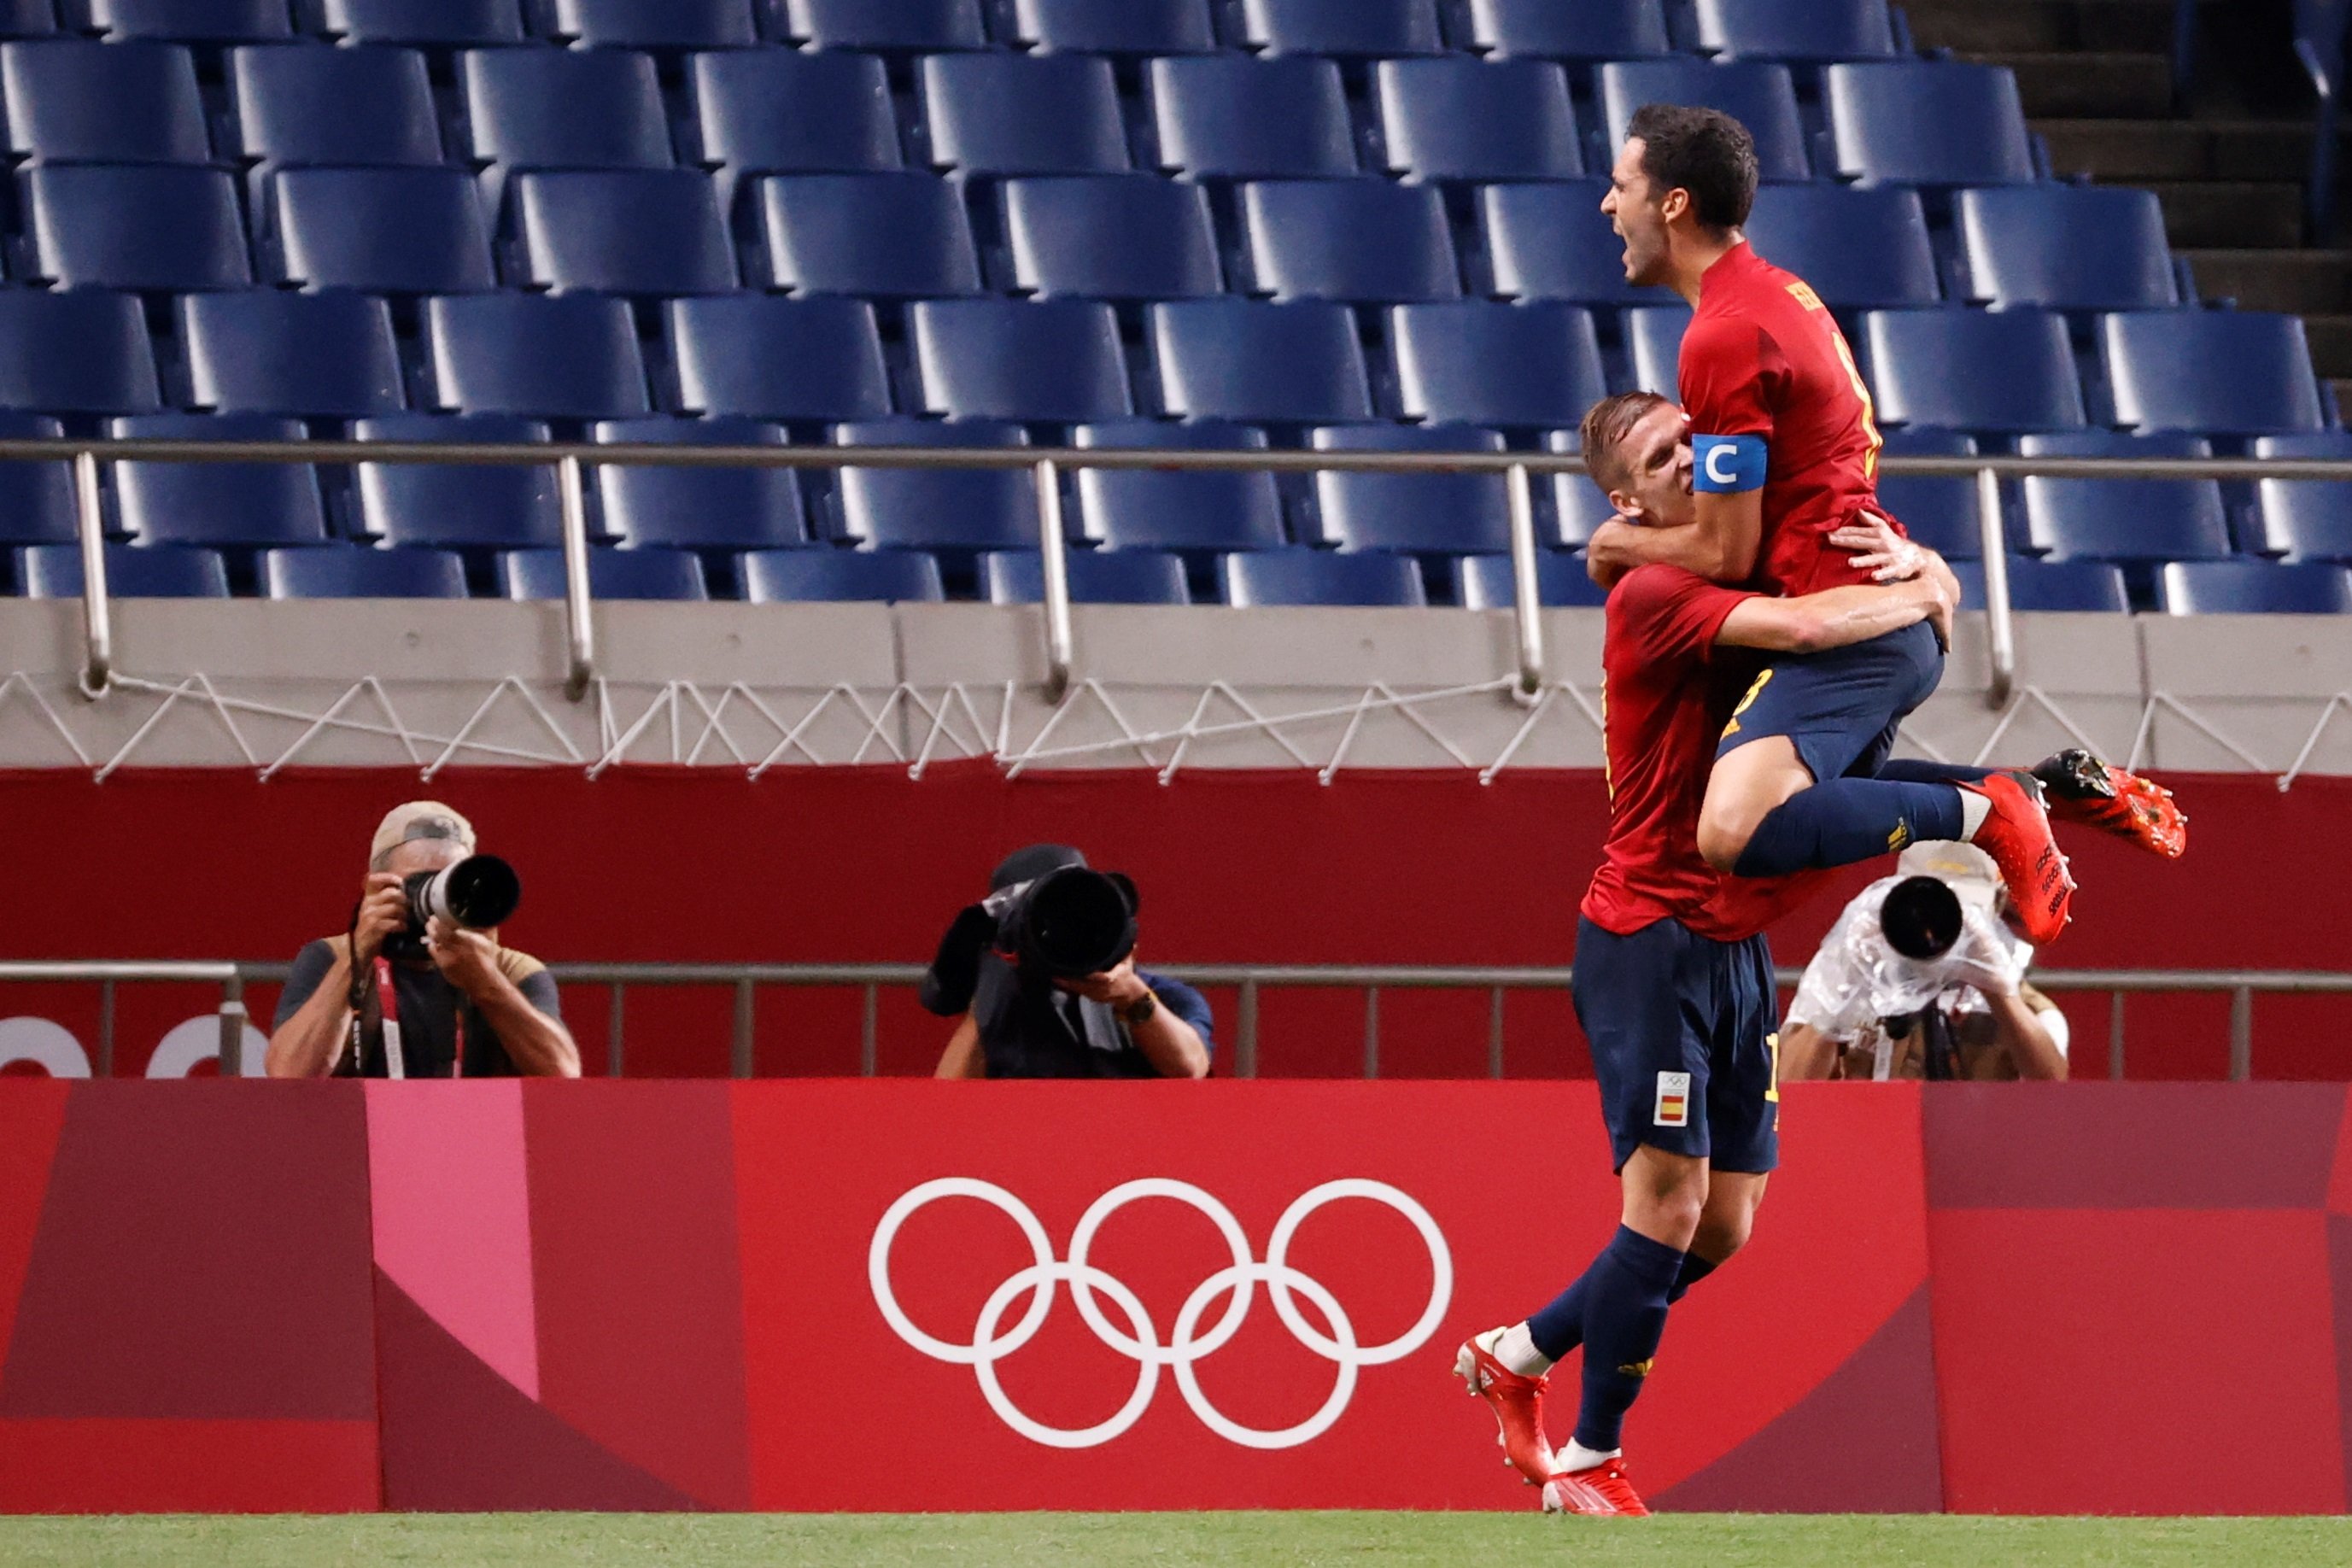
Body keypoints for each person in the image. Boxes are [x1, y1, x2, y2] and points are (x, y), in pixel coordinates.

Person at [1456, 436, 1961, 1518]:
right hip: (1648, 937)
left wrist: (1932, 579)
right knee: (1670, 1207)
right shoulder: (1653, 587)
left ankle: (1520, 1351)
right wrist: (1931, 583)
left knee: (1723, 1226)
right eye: (1660, 454)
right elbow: (1821, 627)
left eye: (1696, 439)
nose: (1693, 459)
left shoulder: (1747, 567)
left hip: (1733, 947)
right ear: (1628, 499)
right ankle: (1592, 1460)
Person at [1577, 103, 2110, 946]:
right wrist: (1931, 572)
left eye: (1620, 186)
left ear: (1673, 203)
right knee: (1809, 808)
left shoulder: (1720, 335)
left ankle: (1993, 811)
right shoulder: (1778, 291)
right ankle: (2024, 790)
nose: (1610, 206)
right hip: (1878, 605)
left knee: (1732, 830)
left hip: (1848, 622)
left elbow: (1727, 548)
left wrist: (1616, 544)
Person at [267, 801, 579, 1079]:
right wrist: (358, 956)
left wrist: (487, 984)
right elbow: (289, 1073)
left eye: (450, 884)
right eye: (419, 883)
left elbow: (563, 1074)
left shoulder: (507, 968)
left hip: (476, 1136)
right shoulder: (333, 957)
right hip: (366, 1136)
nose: (435, 899)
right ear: (374, 887)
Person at [1780, 840, 2071, 1082]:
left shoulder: (2029, 1010)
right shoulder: (1843, 980)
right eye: (1923, 912)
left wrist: (2000, 993)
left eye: (1959, 913)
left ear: (1994, 909)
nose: (1935, 930)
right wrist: (1841, 997)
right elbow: (1787, 1092)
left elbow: (2050, 1091)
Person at [928, 845, 1214, 1080]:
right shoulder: (999, 1002)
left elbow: (1190, 1068)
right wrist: (989, 992)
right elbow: (948, 1103)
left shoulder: (1161, 995)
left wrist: (1131, 995)